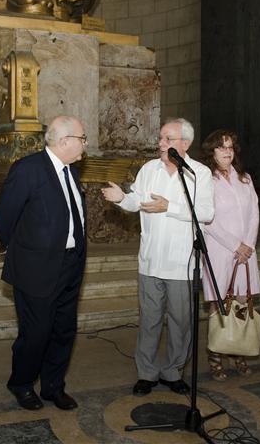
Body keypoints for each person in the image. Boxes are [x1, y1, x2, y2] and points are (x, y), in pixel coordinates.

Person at [102, 118, 214, 396]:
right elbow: (136, 201)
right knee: (149, 321)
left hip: (182, 264)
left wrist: (169, 206)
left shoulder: (199, 174)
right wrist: (121, 198)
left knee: (181, 323)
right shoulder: (149, 169)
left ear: (185, 143)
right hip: (150, 261)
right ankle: (147, 373)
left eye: (168, 139)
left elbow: (206, 213)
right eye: (161, 138)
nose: (161, 143)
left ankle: (174, 371)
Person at [0, 115, 87, 411]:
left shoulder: (71, 171)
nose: (85, 144)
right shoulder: (28, 169)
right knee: (35, 334)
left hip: (70, 265)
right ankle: (21, 384)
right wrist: (24, 252)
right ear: (64, 141)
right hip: (36, 268)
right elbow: (6, 218)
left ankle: (53, 386)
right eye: (82, 139)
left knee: (63, 330)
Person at [200, 129, 260, 380]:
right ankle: (215, 356)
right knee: (219, 304)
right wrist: (236, 244)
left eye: (230, 147)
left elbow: (254, 212)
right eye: (221, 147)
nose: (227, 151)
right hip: (219, 249)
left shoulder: (245, 179)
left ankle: (239, 352)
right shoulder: (206, 179)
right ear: (211, 152)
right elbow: (207, 220)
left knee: (242, 302)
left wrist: (248, 244)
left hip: (246, 252)